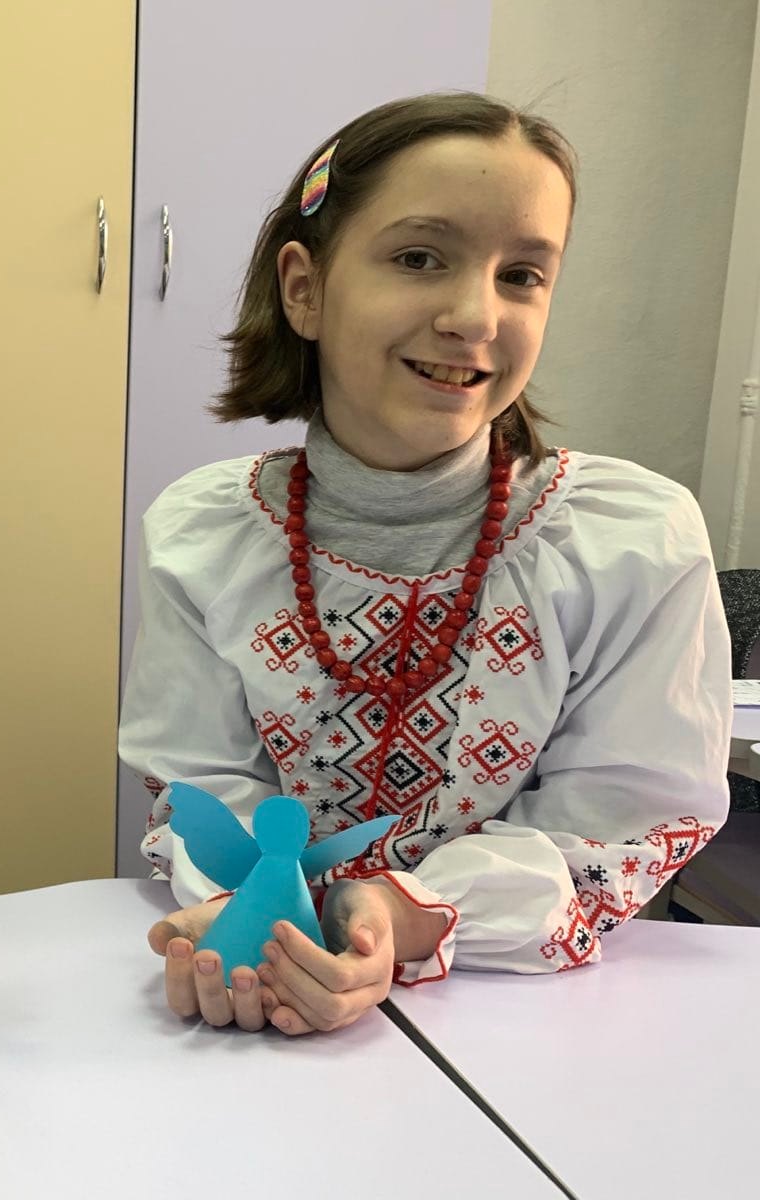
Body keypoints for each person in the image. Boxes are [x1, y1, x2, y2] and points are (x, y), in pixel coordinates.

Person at [119, 93, 729, 1036]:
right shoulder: (206, 537)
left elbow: (627, 819)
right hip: (268, 1007)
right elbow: (201, 785)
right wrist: (261, 919)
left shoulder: (630, 542)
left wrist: (402, 914)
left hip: (534, 1019)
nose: (475, 316)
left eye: (521, 275)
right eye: (418, 258)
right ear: (305, 288)